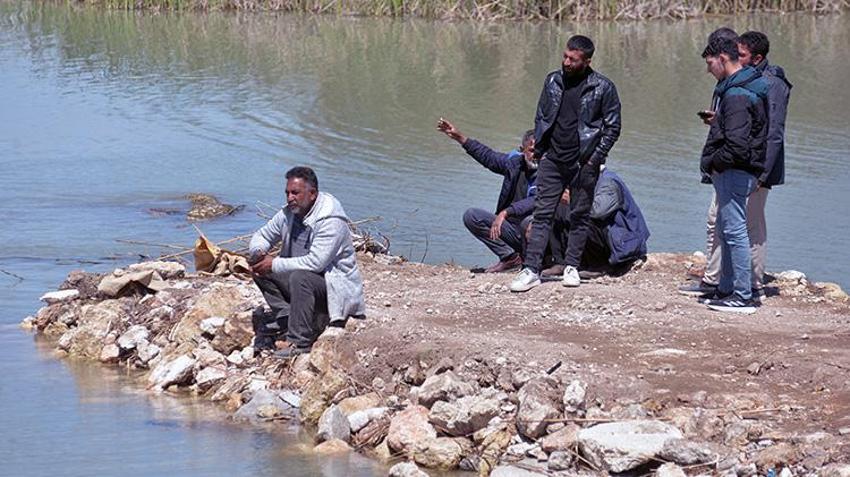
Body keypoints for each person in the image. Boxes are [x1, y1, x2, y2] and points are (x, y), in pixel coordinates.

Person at [681, 30, 792, 298]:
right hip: (737, 163)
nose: (737, 60)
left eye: (741, 55)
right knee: (721, 224)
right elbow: (742, 126)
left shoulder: (764, 84)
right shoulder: (736, 83)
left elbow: (771, 131)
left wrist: (760, 173)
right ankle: (721, 282)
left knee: (744, 228)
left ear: (756, 57)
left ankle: (748, 288)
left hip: (749, 166)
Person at [510, 34, 622, 292]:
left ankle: (571, 266)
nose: (567, 62)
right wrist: (540, 147)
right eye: (565, 56)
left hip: (584, 162)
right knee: (542, 214)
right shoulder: (552, 81)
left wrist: (595, 159)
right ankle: (531, 270)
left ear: (587, 60)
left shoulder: (602, 87)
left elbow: (613, 127)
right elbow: (541, 115)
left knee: (579, 216)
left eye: (573, 59)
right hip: (552, 159)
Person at [249, 166, 366, 357]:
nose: (289, 198)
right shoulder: (289, 213)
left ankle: (299, 343)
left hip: (332, 290)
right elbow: (263, 234)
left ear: (312, 194)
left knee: (300, 277)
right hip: (302, 285)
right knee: (259, 267)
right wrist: (259, 252)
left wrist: (274, 263)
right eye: (287, 193)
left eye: (295, 193)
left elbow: (316, 263)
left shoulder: (330, 220)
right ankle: (287, 317)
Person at [698, 37, 769, 313]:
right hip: (738, 170)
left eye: (710, 63)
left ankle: (742, 296)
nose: (709, 70)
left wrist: (716, 162)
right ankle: (727, 288)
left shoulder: (737, 94)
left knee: (736, 232)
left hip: (735, 171)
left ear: (723, 59)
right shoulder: (742, 88)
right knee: (728, 231)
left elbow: (738, 144)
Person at [437, 118, 538, 273]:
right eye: (531, 151)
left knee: (529, 223)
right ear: (522, 150)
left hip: (534, 231)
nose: (536, 155)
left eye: (541, 150)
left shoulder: (548, 170)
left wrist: (506, 212)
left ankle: (539, 262)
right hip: (511, 230)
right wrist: (460, 138)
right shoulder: (513, 163)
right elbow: (488, 156)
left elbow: (536, 199)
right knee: (472, 216)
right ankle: (511, 258)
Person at [541, 166, 650, 277]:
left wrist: (572, 200)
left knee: (582, 219)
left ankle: (599, 265)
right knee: (557, 210)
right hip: (605, 233)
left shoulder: (608, 182)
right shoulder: (585, 179)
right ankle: (561, 262)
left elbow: (597, 212)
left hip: (622, 240)